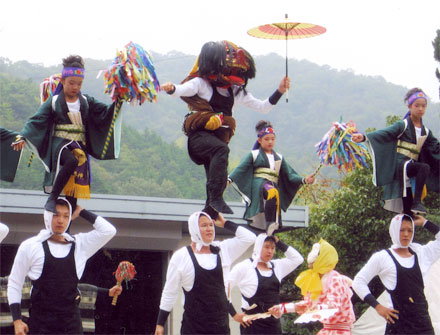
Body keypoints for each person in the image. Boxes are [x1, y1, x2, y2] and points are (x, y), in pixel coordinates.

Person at [160, 41, 290, 216]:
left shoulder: (235, 91)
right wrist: (171, 88)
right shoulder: (201, 84)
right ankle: (216, 198)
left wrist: (280, 91)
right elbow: (181, 90)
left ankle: (210, 210)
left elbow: (263, 107)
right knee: (222, 150)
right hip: (198, 139)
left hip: (216, 142)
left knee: (216, 169)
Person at [8, 55, 122, 213]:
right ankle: (52, 198)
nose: (75, 87)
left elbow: (105, 112)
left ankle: (67, 234)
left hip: (79, 146)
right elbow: (37, 119)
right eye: (71, 83)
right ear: (63, 81)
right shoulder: (54, 101)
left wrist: (119, 101)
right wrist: (23, 136)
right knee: (71, 161)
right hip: (60, 144)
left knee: (72, 197)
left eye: (79, 84)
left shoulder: (86, 100)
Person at [7, 198, 117, 335]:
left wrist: (82, 211)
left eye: (66, 216)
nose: (61, 220)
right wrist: (17, 320)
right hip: (40, 324)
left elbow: (109, 231)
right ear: (47, 216)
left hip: (71, 325)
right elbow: (14, 283)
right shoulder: (30, 246)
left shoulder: (80, 245)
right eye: (56, 215)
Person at [154, 211, 256, 335]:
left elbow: (250, 238)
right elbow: (170, 292)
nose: (209, 229)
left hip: (220, 328)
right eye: (204, 226)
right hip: (193, 328)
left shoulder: (223, 250)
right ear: (194, 229)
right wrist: (160, 324)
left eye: (211, 225)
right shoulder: (181, 256)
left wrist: (225, 223)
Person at [352, 88, 439, 215]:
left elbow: (436, 147)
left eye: (423, 106)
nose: (420, 109)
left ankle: (411, 210)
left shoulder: (426, 131)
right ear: (409, 106)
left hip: (412, 166)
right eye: (417, 105)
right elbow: (384, 133)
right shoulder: (402, 125)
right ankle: (417, 202)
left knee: (408, 212)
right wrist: (364, 137)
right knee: (424, 168)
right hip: (401, 164)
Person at [352, 214, 440, 334]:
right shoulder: (382, 258)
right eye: (401, 230)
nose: (406, 234)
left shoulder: (422, 254)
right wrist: (378, 307)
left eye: (410, 230)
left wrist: (425, 222)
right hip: (399, 327)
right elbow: (358, 281)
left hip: (423, 325)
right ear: (393, 230)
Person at [229, 120, 315, 234]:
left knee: (275, 194)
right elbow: (240, 169)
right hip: (259, 183)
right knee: (272, 192)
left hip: (272, 183)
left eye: (272, 139)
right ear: (260, 140)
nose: (270, 142)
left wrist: (304, 180)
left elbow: (290, 175)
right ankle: (270, 223)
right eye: (266, 139)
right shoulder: (254, 155)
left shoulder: (279, 157)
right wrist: (229, 179)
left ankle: (272, 224)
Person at [270, 239, 355, 335]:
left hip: (340, 331)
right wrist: (282, 308)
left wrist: (318, 307)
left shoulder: (335, 278)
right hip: (327, 330)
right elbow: (308, 304)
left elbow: (334, 304)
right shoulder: (316, 279)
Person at [227, 233, 304, 334]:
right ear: (258, 246)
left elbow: (298, 259)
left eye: (273, 248)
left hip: (273, 325)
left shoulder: (277, 266)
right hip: (252, 326)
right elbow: (224, 287)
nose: (270, 251)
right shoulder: (244, 267)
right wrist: (234, 314)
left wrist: (278, 242)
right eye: (266, 247)